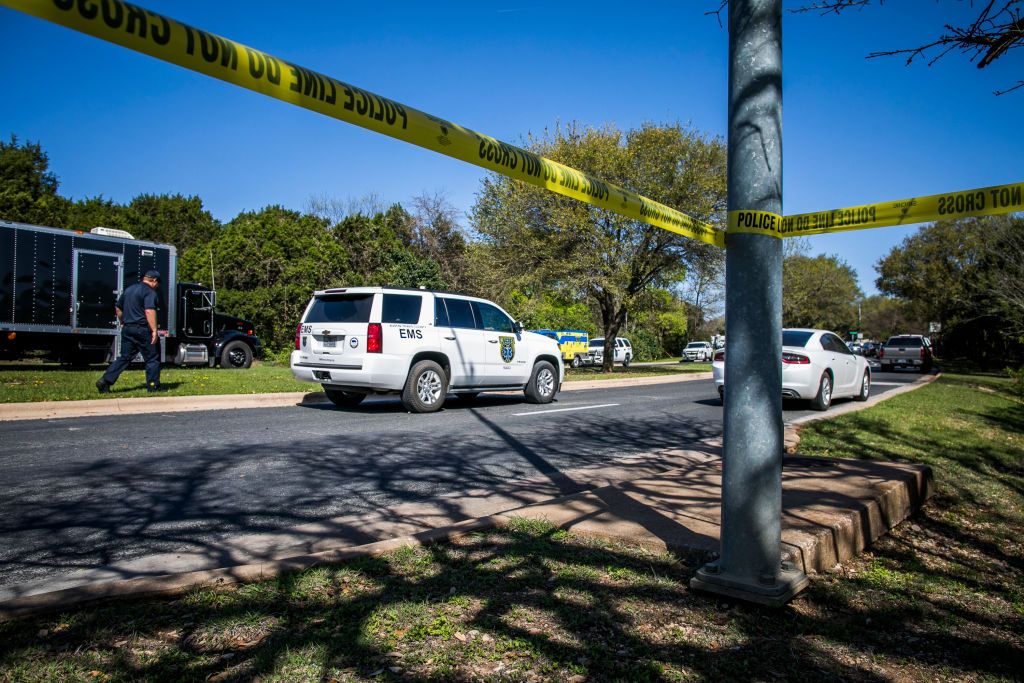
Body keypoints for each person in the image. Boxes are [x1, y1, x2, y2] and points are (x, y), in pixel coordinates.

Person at [96, 269, 163, 393]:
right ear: (154, 280)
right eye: (157, 283)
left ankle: (105, 381)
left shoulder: (129, 289)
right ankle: (153, 386)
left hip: (128, 329)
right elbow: (149, 311)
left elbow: (118, 308)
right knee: (152, 358)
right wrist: (154, 330)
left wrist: (122, 321)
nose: (157, 286)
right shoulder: (150, 292)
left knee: (125, 357)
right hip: (143, 329)